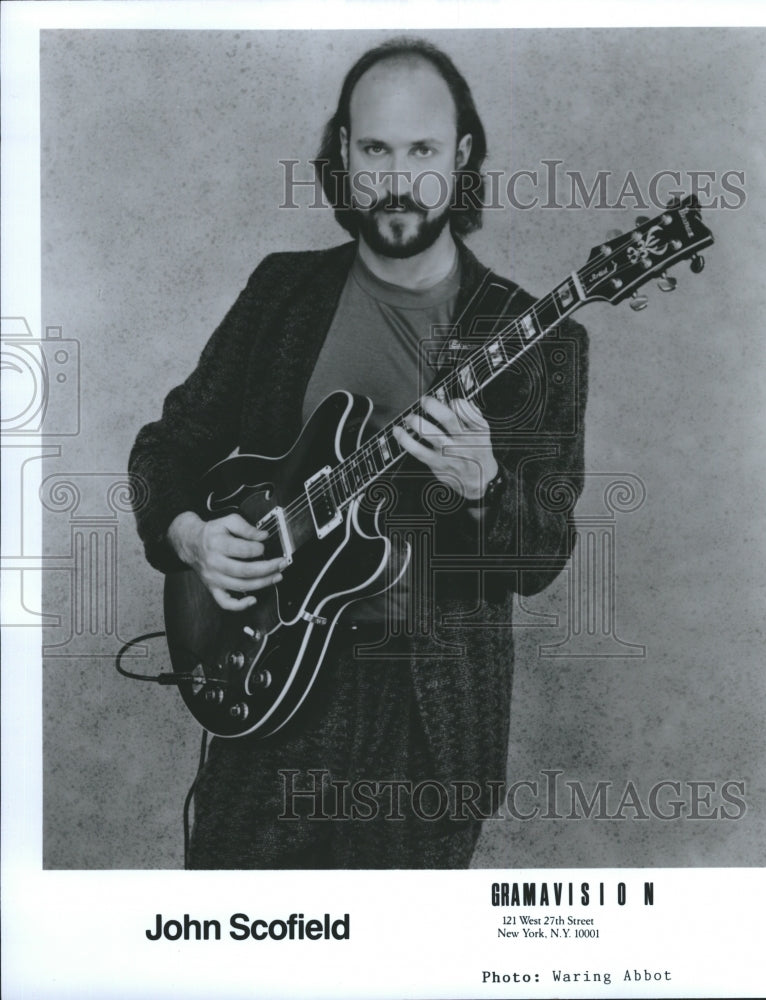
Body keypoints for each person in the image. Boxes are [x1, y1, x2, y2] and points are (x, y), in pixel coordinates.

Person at [129, 36, 588, 869]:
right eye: (375, 148)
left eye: (422, 149)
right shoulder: (280, 294)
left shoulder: (534, 341)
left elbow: (539, 556)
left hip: (428, 728)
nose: (398, 177)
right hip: (263, 684)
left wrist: (485, 486)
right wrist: (191, 536)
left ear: (462, 155)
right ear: (343, 153)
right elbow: (171, 446)